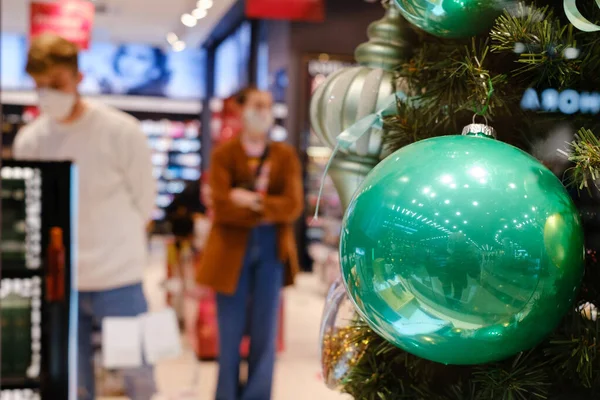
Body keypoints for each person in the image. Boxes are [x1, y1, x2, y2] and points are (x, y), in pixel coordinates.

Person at [13, 34, 157, 400]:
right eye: (40, 85)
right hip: (63, 282)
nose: (47, 93)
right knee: (71, 381)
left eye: (56, 84)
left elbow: (145, 202)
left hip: (119, 279)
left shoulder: (120, 130)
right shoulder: (30, 141)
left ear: (78, 78)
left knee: (137, 376)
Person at [197, 86, 304, 400]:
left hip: (272, 249)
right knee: (228, 331)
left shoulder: (284, 155)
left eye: (268, 106)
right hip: (229, 250)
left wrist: (251, 202)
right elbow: (221, 204)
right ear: (240, 110)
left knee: (265, 330)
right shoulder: (224, 154)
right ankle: (226, 394)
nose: (263, 112)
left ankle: (258, 394)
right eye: (257, 105)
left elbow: (293, 206)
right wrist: (267, 208)